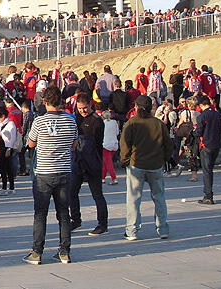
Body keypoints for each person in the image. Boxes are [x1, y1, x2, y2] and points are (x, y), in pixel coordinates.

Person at [22, 85, 78, 265]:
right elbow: (74, 145)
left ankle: (37, 252)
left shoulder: (39, 122)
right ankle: (64, 251)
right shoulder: (71, 121)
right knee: (63, 213)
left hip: (44, 173)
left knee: (40, 214)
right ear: (61, 101)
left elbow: (30, 144)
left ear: (45, 102)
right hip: (64, 171)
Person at [120, 95, 174, 240]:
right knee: (159, 197)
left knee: (133, 198)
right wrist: (164, 158)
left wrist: (125, 160)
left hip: (136, 164)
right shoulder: (158, 124)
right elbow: (168, 144)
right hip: (155, 165)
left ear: (136, 107)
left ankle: (131, 230)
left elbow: (125, 144)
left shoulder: (131, 123)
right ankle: (163, 228)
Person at [69, 92, 108, 235]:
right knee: (72, 191)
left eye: (85, 108)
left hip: (93, 161)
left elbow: (98, 143)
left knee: (97, 194)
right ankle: (76, 220)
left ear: (90, 105)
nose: (82, 111)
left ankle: (102, 224)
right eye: (79, 108)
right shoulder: (77, 118)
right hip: (78, 161)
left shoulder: (97, 120)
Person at [195, 95, 221, 205]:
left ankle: (208, 195)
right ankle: (208, 194)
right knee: (210, 169)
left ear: (201, 105)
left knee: (207, 171)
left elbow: (199, 132)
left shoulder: (202, 116)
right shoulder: (217, 114)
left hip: (206, 145)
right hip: (216, 144)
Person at [0, 106, 17, 194]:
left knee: (5, 167)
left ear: (3, 116)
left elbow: (12, 137)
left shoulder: (10, 124)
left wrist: (9, 148)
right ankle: (9, 187)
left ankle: (6, 187)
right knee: (5, 167)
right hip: (1, 146)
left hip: (7, 146)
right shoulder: (1, 125)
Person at [102, 105, 119, 185]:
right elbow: (117, 132)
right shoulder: (114, 122)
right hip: (114, 144)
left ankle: (114, 178)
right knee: (106, 162)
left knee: (108, 163)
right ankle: (102, 177)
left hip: (105, 144)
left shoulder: (103, 123)